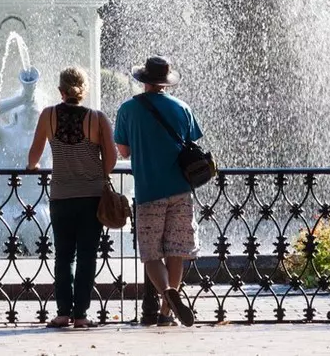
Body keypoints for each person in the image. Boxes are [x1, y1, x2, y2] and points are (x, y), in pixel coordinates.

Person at [113, 56, 202, 327]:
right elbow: (191, 142)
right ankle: (166, 313)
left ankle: (166, 293)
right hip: (180, 190)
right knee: (176, 251)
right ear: (166, 81)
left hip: (149, 190)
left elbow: (123, 151)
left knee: (151, 254)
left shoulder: (128, 109)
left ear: (144, 81)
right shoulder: (182, 108)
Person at [26, 66, 116, 329]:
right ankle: (81, 316)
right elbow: (110, 163)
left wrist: (35, 168)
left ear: (60, 91)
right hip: (92, 197)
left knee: (64, 256)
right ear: (84, 90)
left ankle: (63, 313)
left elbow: (32, 159)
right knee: (88, 255)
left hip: (61, 197)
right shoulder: (97, 119)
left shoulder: (48, 116)